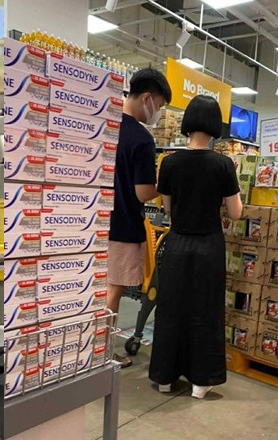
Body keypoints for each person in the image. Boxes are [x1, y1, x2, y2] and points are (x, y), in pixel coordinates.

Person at [149, 95, 243, 399]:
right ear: (215, 124)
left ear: (188, 121)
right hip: (208, 246)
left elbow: (167, 208)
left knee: (171, 309)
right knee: (205, 311)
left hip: (177, 243)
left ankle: (164, 377)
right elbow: (236, 213)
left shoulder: (169, 162)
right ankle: (201, 382)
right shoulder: (223, 164)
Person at [108, 68, 172, 368]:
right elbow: (143, 192)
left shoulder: (104, 124)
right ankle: (101, 352)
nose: (158, 113)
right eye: (159, 105)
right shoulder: (141, 139)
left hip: (92, 221)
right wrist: (165, 184)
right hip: (122, 224)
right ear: (147, 98)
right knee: (113, 290)